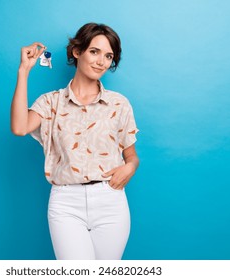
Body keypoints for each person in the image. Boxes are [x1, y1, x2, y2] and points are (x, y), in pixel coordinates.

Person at [10, 23, 139, 260]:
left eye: (108, 56)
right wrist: (24, 71)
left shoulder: (119, 104)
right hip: (66, 203)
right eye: (94, 51)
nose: (101, 61)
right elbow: (19, 127)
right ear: (76, 51)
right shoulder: (51, 102)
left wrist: (130, 167)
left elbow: (131, 156)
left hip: (110, 201)